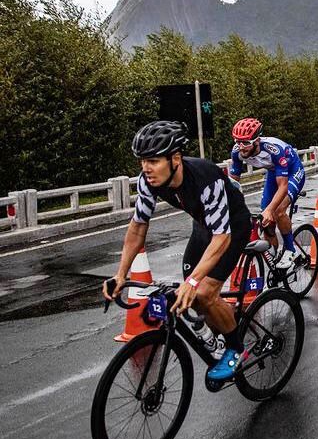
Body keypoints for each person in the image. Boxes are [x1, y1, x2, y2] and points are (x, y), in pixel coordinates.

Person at [103, 121, 252, 383]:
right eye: (142, 161)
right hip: (203, 228)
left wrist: (196, 281)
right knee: (190, 292)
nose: (146, 168)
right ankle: (216, 328)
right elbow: (138, 227)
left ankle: (236, 349)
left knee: (203, 291)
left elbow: (222, 237)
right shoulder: (147, 182)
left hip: (232, 228)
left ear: (175, 159)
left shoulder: (207, 178)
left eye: (153, 161)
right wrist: (120, 274)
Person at [228, 118, 305, 270]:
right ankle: (274, 261)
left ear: (256, 141)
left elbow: (283, 186)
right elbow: (233, 185)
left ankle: (291, 250)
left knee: (277, 211)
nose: (241, 147)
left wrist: (271, 210)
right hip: (273, 172)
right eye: (238, 141)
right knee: (265, 220)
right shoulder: (237, 153)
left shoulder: (273, 150)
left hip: (292, 171)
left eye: (246, 142)